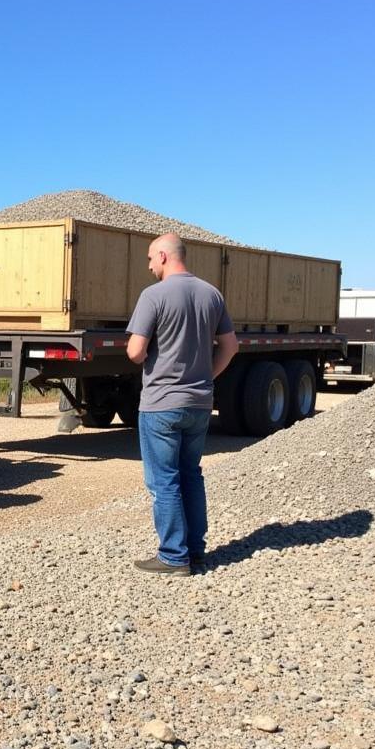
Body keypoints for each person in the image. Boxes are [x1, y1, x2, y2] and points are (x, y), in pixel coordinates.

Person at [126, 233, 239, 575]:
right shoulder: (211, 294)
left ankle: (173, 557)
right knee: (191, 474)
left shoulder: (154, 296)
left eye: (149, 258)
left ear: (163, 255)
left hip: (161, 403)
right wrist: (206, 377)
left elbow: (134, 351)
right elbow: (231, 346)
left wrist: (145, 355)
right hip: (199, 403)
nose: (148, 266)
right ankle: (195, 550)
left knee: (164, 480)